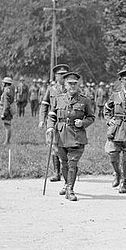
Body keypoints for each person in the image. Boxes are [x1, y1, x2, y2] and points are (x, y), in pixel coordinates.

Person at [46, 71, 95, 201]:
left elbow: (91, 117)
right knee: (64, 163)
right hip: (61, 135)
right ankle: (67, 184)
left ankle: (70, 189)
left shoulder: (84, 100)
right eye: (70, 83)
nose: (72, 86)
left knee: (73, 163)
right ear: (65, 85)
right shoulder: (58, 99)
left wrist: (83, 122)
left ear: (77, 85)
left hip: (77, 136)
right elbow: (51, 115)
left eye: (75, 83)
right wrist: (50, 127)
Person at [39, 64, 69, 182]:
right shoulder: (51, 89)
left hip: (66, 123)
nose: (63, 77)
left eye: (65, 75)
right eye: (60, 75)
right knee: (53, 147)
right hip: (53, 122)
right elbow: (44, 104)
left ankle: (67, 171)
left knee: (66, 146)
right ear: (56, 76)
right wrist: (42, 120)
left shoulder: (70, 89)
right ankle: (57, 173)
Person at [0, 77, 15, 145]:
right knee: (8, 125)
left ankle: (7, 141)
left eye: (4, 82)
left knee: (7, 125)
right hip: (9, 110)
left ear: (6, 83)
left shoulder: (6, 91)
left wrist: (3, 113)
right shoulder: (10, 90)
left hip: (7, 111)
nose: (2, 84)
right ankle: (7, 141)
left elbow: (6, 104)